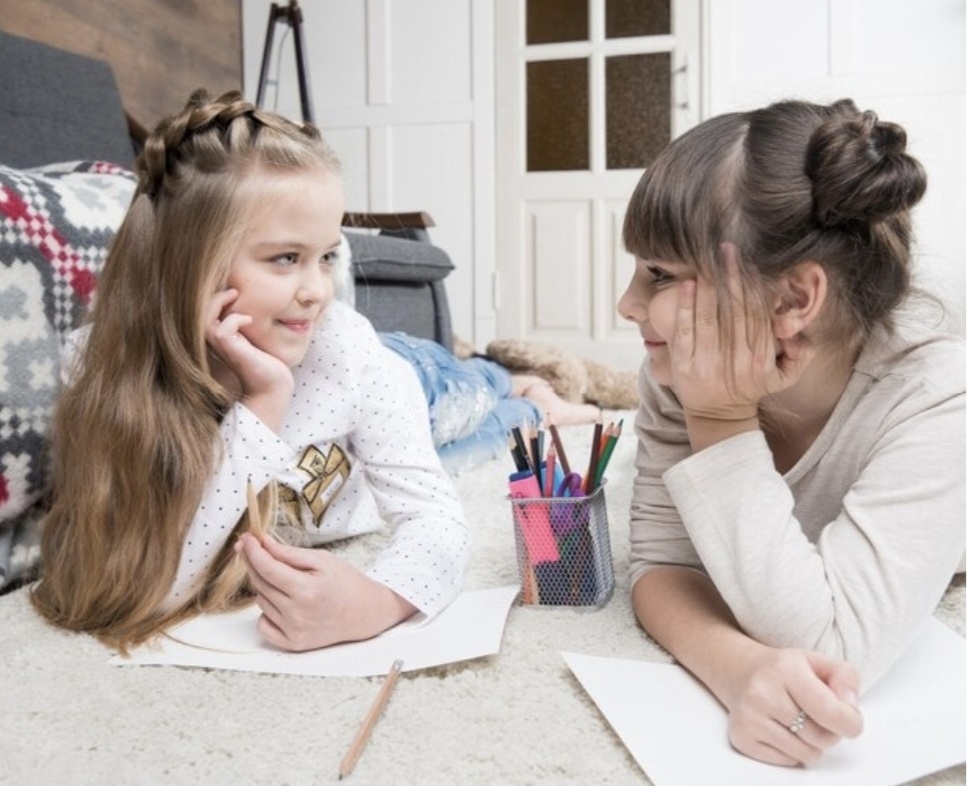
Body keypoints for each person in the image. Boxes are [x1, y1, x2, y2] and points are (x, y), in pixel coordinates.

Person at [30, 89, 470, 654]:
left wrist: (380, 601)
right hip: (351, 397)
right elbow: (154, 586)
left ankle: (523, 384)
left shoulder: (345, 348)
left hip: (419, 380)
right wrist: (264, 401)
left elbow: (437, 519)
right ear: (190, 264)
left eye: (327, 256)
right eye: (287, 258)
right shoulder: (99, 364)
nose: (318, 290)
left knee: (483, 404)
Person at [617, 98, 965, 767]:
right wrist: (736, 667)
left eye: (658, 273)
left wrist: (719, 422)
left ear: (793, 300)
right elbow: (660, 565)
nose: (626, 304)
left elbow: (833, 647)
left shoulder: (937, 394)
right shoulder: (674, 373)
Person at [378, 331, 602, 475]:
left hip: (403, 372)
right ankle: (537, 410)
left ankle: (506, 380)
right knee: (424, 468)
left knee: (457, 400)